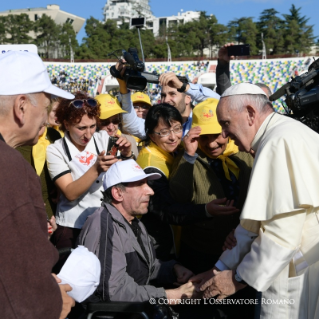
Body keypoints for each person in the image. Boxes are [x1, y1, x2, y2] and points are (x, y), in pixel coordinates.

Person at [191, 83, 319, 319]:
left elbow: (282, 235)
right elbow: (253, 225)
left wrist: (237, 279)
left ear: (250, 113)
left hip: (290, 274)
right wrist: (219, 269)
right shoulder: (284, 133)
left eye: (226, 124)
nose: (225, 135)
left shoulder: (278, 142)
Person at [0, 51, 75, 319]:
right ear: (21, 107)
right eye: (45, 107)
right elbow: (21, 276)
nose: (47, 118)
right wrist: (52, 303)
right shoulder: (9, 167)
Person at [78, 159, 199, 304]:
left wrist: (173, 268)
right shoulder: (104, 226)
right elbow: (114, 290)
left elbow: (143, 267)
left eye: (147, 183)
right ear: (118, 193)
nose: (151, 191)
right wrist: (169, 296)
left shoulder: (134, 222)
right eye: (140, 184)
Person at [136, 103, 239, 261]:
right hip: (161, 250)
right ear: (151, 135)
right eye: (164, 132)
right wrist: (205, 210)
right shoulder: (150, 165)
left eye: (177, 129)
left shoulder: (177, 149)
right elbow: (166, 210)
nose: (173, 137)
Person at [169, 98, 254, 274]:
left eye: (216, 135)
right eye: (203, 137)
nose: (211, 144)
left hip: (241, 247)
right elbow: (178, 197)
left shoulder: (244, 152)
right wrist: (189, 156)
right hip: (201, 252)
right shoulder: (188, 158)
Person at [46, 91, 133, 258]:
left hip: (105, 222)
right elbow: (70, 193)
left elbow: (126, 178)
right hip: (72, 226)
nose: (88, 134)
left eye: (92, 126)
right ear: (66, 123)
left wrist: (128, 154)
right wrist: (96, 169)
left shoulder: (103, 138)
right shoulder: (55, 150)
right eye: (81, 128)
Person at [115, 59, 220, 139]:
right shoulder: (159, 124)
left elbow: (219, 102)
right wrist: (123, 85)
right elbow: (130, 125)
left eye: (172, 94)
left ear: (188, 97)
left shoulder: (200, 120)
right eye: (163, 95)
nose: (166, 100)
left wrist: (183, 86)